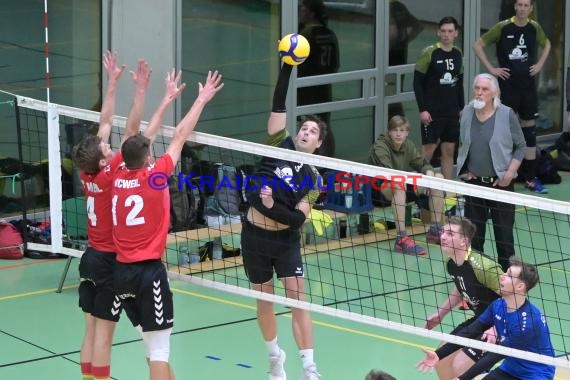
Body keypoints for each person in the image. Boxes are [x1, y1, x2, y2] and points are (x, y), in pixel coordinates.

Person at [111, 70, 223, 380]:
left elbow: (143, 137)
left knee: (151, 349)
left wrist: (165, 99)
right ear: (148, 158)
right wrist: (201, 98)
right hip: (149, 274)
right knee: (160, 352)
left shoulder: (118, 176)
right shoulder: (156, 177)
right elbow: (179, 135)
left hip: (122, 274)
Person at [240, 60, 325, 379]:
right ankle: (275, 356)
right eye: (304, 127)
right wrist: (288, 66)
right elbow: (278, 103)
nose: (305, 131)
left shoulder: (315, 180)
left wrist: (268, 204)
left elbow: (295, 220)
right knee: (264, 301)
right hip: (254, 238)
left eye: (313, 131)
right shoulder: (279, 145)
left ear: (318, 144)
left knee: (297, 299)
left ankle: (309, 367)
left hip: (285, 242)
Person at [72, 52, 151, 380]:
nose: (108, 145)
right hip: (108, 262)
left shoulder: (87, 174)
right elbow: (131, 129)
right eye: (105, 149)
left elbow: (104, 124)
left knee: (89, 330)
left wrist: (113, 82)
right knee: (105, 334)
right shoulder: (110, 175)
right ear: (105, 162)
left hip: (89, 257)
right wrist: (141, 90)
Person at [417, 256, 556, 380]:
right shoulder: (498, 305)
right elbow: (471, 330)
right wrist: (439, 354)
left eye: (508, 275)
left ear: (520, 286)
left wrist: (463, 378)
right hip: (511, 368)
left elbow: (495, 356)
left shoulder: (527, 322)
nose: (502, 276)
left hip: (537, 374)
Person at [473, 0, 551, 194]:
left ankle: (531, 179)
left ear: (531, 8)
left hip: (528, 88)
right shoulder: (503, 27)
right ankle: (502, 176)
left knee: (529, 133)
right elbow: (478, 45)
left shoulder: (534, 27)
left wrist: (540, 64)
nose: (522, 8)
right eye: (519, 5)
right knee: (504, 132)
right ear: (515, 7)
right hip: (507, 87)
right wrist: (492, 69)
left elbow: (547, 44)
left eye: (526, 5)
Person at [456, 73, 526, 272]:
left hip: (500, 185)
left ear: (494, 92)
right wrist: (464, 171)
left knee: (504, 239)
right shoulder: (467, 112)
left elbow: (521, 146)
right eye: (477, 88)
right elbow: (464, 143)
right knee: (474, 239)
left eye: (484, 89)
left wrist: (510, 173)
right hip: (475, 185)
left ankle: (507, 283)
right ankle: (477, 283)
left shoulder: (506, 114)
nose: (479, 92)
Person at [424, 216, 503, 379]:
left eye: (450, 234)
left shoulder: (483, 267)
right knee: (440, 358)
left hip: (502, 326)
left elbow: (515, 299)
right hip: (479, 321)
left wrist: (496, 328)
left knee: (459, 367)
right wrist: (441, 314)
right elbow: (460, 288)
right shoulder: (452, 264)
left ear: (463, 241)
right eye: (443, 232)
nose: (443, 237)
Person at [368, 115, 445, 256]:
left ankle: (435, 231)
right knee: (398, 184)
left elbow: (421, 163)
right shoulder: (380, 146)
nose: (398, 134)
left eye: (402, 130)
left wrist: (428, 173)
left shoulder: (407, 145)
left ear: (407, 132)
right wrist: (414, 180)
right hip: (377, 190)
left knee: (437, 179)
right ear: (389, 132)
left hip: (400, 184)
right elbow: (387, 172)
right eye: (395, 130)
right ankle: (401, 239)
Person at [413, 16, 464, 180]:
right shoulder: (429, 52)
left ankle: (448, 195)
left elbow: (459, 82)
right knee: (427, 151)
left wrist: (461, 108)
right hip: (432, 112)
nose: (446, 34)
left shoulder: (458, 53)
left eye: (450, 31)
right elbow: (417, 83)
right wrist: (422, 110)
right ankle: (419, 192)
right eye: (443, 31)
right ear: (438, 32)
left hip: (451, 112)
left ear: (456, 33)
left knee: (449, 152)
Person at [298, 0, 339, 157]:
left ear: (311, 13)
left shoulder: (306, 35)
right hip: (324, 88)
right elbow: (335, 65)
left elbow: (300, 64)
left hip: (308, 88)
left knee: (310, 125)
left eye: (303, 8)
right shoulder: (330, 34)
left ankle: (313, 158)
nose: (300, 12)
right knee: (324, 125)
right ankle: (329, 157)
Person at [387, 0, 422, 119]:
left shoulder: (387, 9)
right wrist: (405, 41)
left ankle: (398, 125)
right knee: (395, 92)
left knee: (389, 95)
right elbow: (418, 26)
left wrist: (387, 47)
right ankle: (398, 124)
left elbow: (392, 33)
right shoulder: (399, 7)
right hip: (400, 56)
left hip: (390, 57)